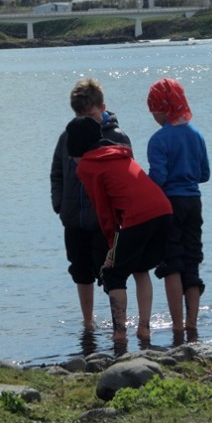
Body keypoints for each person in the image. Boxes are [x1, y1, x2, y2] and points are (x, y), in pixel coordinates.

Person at [66, 116, 171, 342]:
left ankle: (120, 334)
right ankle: (144, 329)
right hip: (163, 210)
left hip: (140, 216)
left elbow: (104, 211)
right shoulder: (120, 153)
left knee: (114, 275)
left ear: (77, 150)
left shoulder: (86, 166)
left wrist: (111, 248)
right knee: (140, 268)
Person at [50, 78, 132, 330]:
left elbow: (126, 179)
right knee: (80, 270)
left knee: (110, 271)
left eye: (90, 115)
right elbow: (57, 172)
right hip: (74, 216)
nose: (84, 120)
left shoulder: (116, 137)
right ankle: (88, 322)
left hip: (104, 220)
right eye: (79, 115)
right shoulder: (68, 136)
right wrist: (59, 204)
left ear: (103, 107)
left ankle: (118, 323)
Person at [146, 78, 210, 338]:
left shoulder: (158, 140)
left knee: (172, 263)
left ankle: (176, 324)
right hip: (193, 202)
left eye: (153, 110)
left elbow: (158, 178)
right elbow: (204, 174)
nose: (152, 115)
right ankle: (192, 323)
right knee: (192, 260)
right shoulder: (197, 136)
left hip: (168, 204)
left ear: (161, 109)